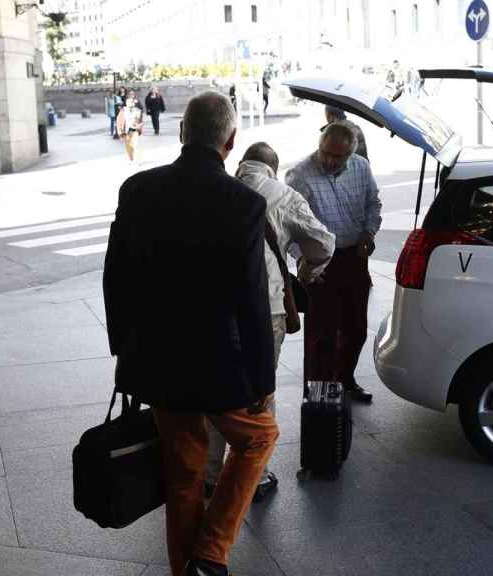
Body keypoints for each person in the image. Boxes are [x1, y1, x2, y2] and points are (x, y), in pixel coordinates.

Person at [103, 90, 278, 576]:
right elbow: (252, 300)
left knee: (182, 475)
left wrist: (124, 351)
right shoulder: (243, 203)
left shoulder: (137, 191)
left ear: (181, 132)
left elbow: (114, 278)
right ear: (230, 140)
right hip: (222, 368)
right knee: (260, 439)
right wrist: (262, 380)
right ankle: (211, 553)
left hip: (158, 364)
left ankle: (187, 571)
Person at [204, 142, 335, 502]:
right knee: (261, 389)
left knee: (215, 392)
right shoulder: (284, 195)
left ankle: (211, 474)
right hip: (267, 307)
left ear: (242, 162)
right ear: (272, 168)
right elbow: (324, 242)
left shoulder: (216, 189)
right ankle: (254, 474)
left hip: (215, 310)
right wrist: (307, 269)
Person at [285, 122, 382, 403]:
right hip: (319, 261)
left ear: (350, 154)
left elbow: (372, 204)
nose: (329, 161)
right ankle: (317, 395)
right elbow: (288, 225)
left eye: (338, 157)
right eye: (325, 152)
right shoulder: (300, 175)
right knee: (321, 335)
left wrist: (369, 231)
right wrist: (303, 259)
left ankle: (343, 380)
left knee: (356, 329)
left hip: (354, 255)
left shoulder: (361, 168)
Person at [116, 91, 144, 164]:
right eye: (129, 102)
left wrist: (139, 126)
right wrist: (119, 130)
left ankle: (137, 160)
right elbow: (119, 121)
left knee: (136, 144)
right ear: (126, 103)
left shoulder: (137, 111)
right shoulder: (123, 111)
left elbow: (140, 121)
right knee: (128, 145)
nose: (131, 103)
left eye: (132, 102)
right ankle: (131, 159)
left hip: (133, 129)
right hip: (126, 130)